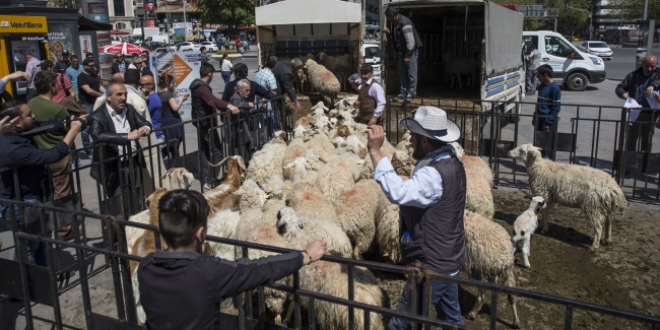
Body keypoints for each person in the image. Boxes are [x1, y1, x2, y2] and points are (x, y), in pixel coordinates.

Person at [137, 189, 328, 329]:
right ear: (201, 234)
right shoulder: (208, 273)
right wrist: (305, 255)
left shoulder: (145, 268)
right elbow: (259, 269)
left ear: (159, 230)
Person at [366, 106, 466, 329]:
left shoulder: (433, 174)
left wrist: (375, 152)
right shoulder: (451, 161)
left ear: (425, 141)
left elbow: (398, 193)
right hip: (448, 256)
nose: (409, 141)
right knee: (451, 320)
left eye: (414, 136)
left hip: (432, 265)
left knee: (402, 323)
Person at [0, 100, 83, 265]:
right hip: (21, 204)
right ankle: (25, 288)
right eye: (29, 114)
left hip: (33, 198)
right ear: (16, 123)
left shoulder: (15, 133)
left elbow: (40, 126)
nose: (34, 115)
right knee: (28, 249)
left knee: (41, 243)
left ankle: (44, 282)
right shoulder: (11, 149)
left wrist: (64, 122)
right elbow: (51, 156)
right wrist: (73, 131)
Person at [26, 70, 77, 240]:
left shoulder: (30, 104)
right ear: (51, 86)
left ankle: (46, 229)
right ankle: (65, 231)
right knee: (62, 195)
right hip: (58, 156)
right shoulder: (57, 109)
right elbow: (69, 130)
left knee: (45, 195)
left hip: (38, 157)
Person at [89, 80, 152, 197]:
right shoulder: (98, 115)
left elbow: (143, 122)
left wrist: (146, 127)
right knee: (119, 201)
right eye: (119, 94)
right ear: (108, 97)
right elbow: (97, 135)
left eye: (125, 94)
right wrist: (126, 136)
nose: (123, 98)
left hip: (132, 162)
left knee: (134, 196)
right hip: (113, 166)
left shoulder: (129, 109)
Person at [190, 63, 240, 190]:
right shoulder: (202, 88)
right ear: (210, 74)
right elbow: (211, 100)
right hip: (206, 125)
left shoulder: (197, 86)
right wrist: (228, 106)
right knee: (217, 152)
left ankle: (206, 178)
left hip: (202, 123)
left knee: (204, 151)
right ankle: (210, 180)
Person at [615, 54, 660, 154]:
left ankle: (644, 163)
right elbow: (620, 88)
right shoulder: (633, 75)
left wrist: (653, 85)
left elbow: (658, 81)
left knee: (646, 140)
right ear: (642, 63)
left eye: (652, 66)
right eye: (647, 65)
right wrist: (623, 94)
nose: (649, 68)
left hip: (650, 114)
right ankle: (630, 162)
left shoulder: (658, 75)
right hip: (635, 113)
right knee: (631, 139)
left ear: (657, 65)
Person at [385, 6, 423, 101]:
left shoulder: (405, 23)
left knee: (411, 73)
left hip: (410, 51)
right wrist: (389, 33)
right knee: (402, 73)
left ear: (393, 16)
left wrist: (407, 55)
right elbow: (397, 36)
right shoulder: (395, 23)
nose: (387, 19)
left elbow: (410, 41)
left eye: (388, 17)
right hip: (401, 51)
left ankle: (411, 93)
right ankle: (403, 92)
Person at [78, 58, 105, 153]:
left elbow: (99, 86)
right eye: (91, 66)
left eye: (94, 65)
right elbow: (88, 90)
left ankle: (97, 143)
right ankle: (87, 147)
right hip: (86, 104)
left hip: (96, 103)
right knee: (86, 127)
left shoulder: (94, 74)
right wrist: (100, 95)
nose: (93, 67)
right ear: (85, 66)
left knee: (97, 123)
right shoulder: (81, 77)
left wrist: (107, 93)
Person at [156, 74, 187, 158]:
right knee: (174, 146)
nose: (173, 85)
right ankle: (176, 165)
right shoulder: (168, 94)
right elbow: (175, 108)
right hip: (173, 123)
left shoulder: (158, 94)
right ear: (169, 83)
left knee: (169, 144)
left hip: (163, 122)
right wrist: (182, 99)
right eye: (172, 83)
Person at [229, 79, 256, 159]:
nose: (248, 92)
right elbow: (237, 105)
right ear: (240, 89)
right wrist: (248, 104)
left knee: (247, 145)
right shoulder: (235, 98)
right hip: (238, 128)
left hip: (243, 127)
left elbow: (247, 111)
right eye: (246, 90)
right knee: (242, 149)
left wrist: (260, 109)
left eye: (249, 90)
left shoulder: (241, 98)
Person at [255, 56, 279, 137]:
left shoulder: (259, 73)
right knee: (269, 129)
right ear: (275, 66)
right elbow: (273, 93)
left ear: (265, 62)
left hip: (258, 105)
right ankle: (267, 144)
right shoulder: (270, 77)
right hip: (267, 107)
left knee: (261, 128)